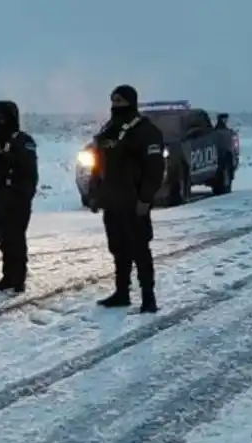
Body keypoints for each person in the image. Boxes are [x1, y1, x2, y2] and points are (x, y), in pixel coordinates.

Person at [87, 84, 164, 313]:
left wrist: (146, 198)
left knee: (140, 248)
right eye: (114, 101)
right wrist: (95, 192)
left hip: (134, 201)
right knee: (118, 248)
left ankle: (148, 297)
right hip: (112, 200)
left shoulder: (146, 131)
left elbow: (155, 168)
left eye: (121, 101)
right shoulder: (109, 129)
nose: (116, 106)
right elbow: (98, 164)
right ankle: (122, 292)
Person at [0, 100, 39, 292]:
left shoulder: (23, 141)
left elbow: (30, 173)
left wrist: (24, 194)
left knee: (16, 238)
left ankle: (18, 277)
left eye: (1, 117)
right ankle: (8, 275)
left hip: (17, 198)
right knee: (3, 238)